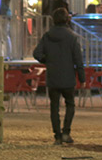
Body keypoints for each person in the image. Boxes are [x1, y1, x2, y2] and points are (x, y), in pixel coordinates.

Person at [31, 8, 85, 144]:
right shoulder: (72, 37)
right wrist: (82, 78)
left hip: (53, 76)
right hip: (68, 76)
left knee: (54, 107)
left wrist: (47, 60)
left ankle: (57, 136)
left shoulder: (48, 35)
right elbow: (78, 60)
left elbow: (36, 53)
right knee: (70, 104)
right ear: (67, 19)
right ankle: (66, 131)